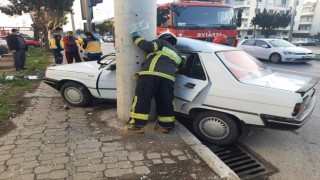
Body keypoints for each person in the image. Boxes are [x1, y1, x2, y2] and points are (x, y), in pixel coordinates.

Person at [125, 31, 182, 134]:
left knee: (142, 99)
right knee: (165, 101)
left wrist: (136, 37)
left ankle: (137, 126)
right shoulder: (177, 53)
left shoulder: (161, 43)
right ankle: (166, 126)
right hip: (168, 78)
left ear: (163, 38)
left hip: (150, 74)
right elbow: (177, 69)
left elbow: (149, 46)